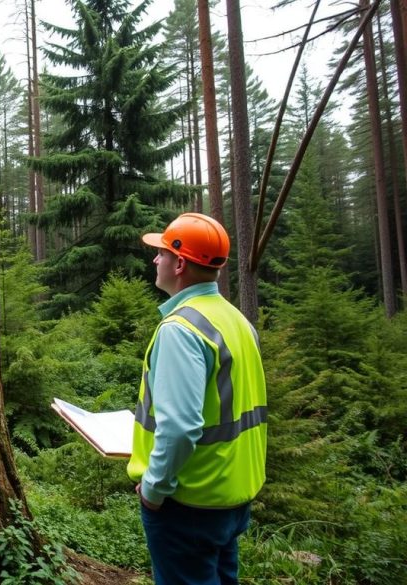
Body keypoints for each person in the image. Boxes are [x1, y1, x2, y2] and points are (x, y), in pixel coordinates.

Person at [127, 213, 267, 585]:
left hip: (188, 504)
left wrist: (155, 491)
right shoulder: (237, 320)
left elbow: (179, 429)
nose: (155, 260)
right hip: (231, 499)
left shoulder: (181, 329)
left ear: (180, 264)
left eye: (161, 253)